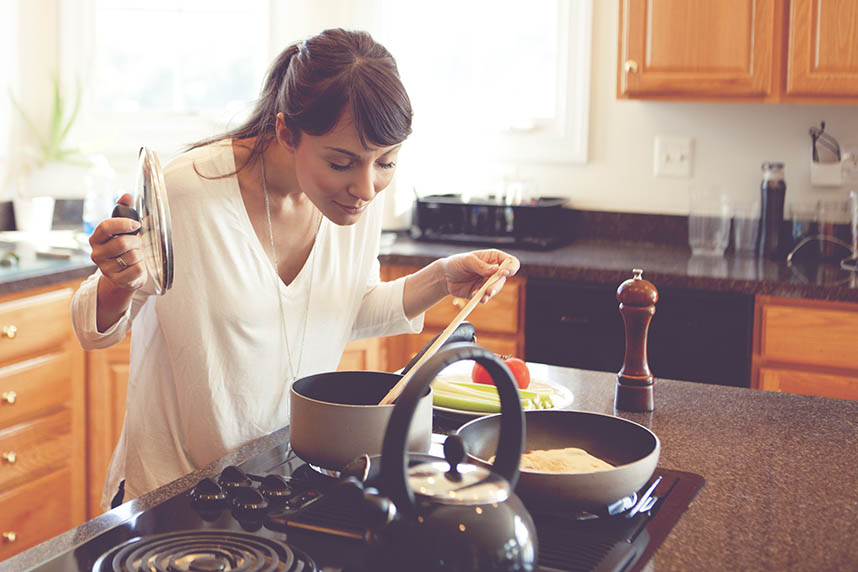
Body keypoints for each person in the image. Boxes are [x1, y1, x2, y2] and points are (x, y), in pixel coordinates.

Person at [71, 28, 520, 510]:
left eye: (386, 162)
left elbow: (345, 307)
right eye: (342, 162)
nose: (366, 187)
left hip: (281, 484)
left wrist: (442, 276)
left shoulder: (351, 203)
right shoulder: (186, 189)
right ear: (287, 132)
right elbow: (90, 330)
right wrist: (118, 283)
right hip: (175, 492)